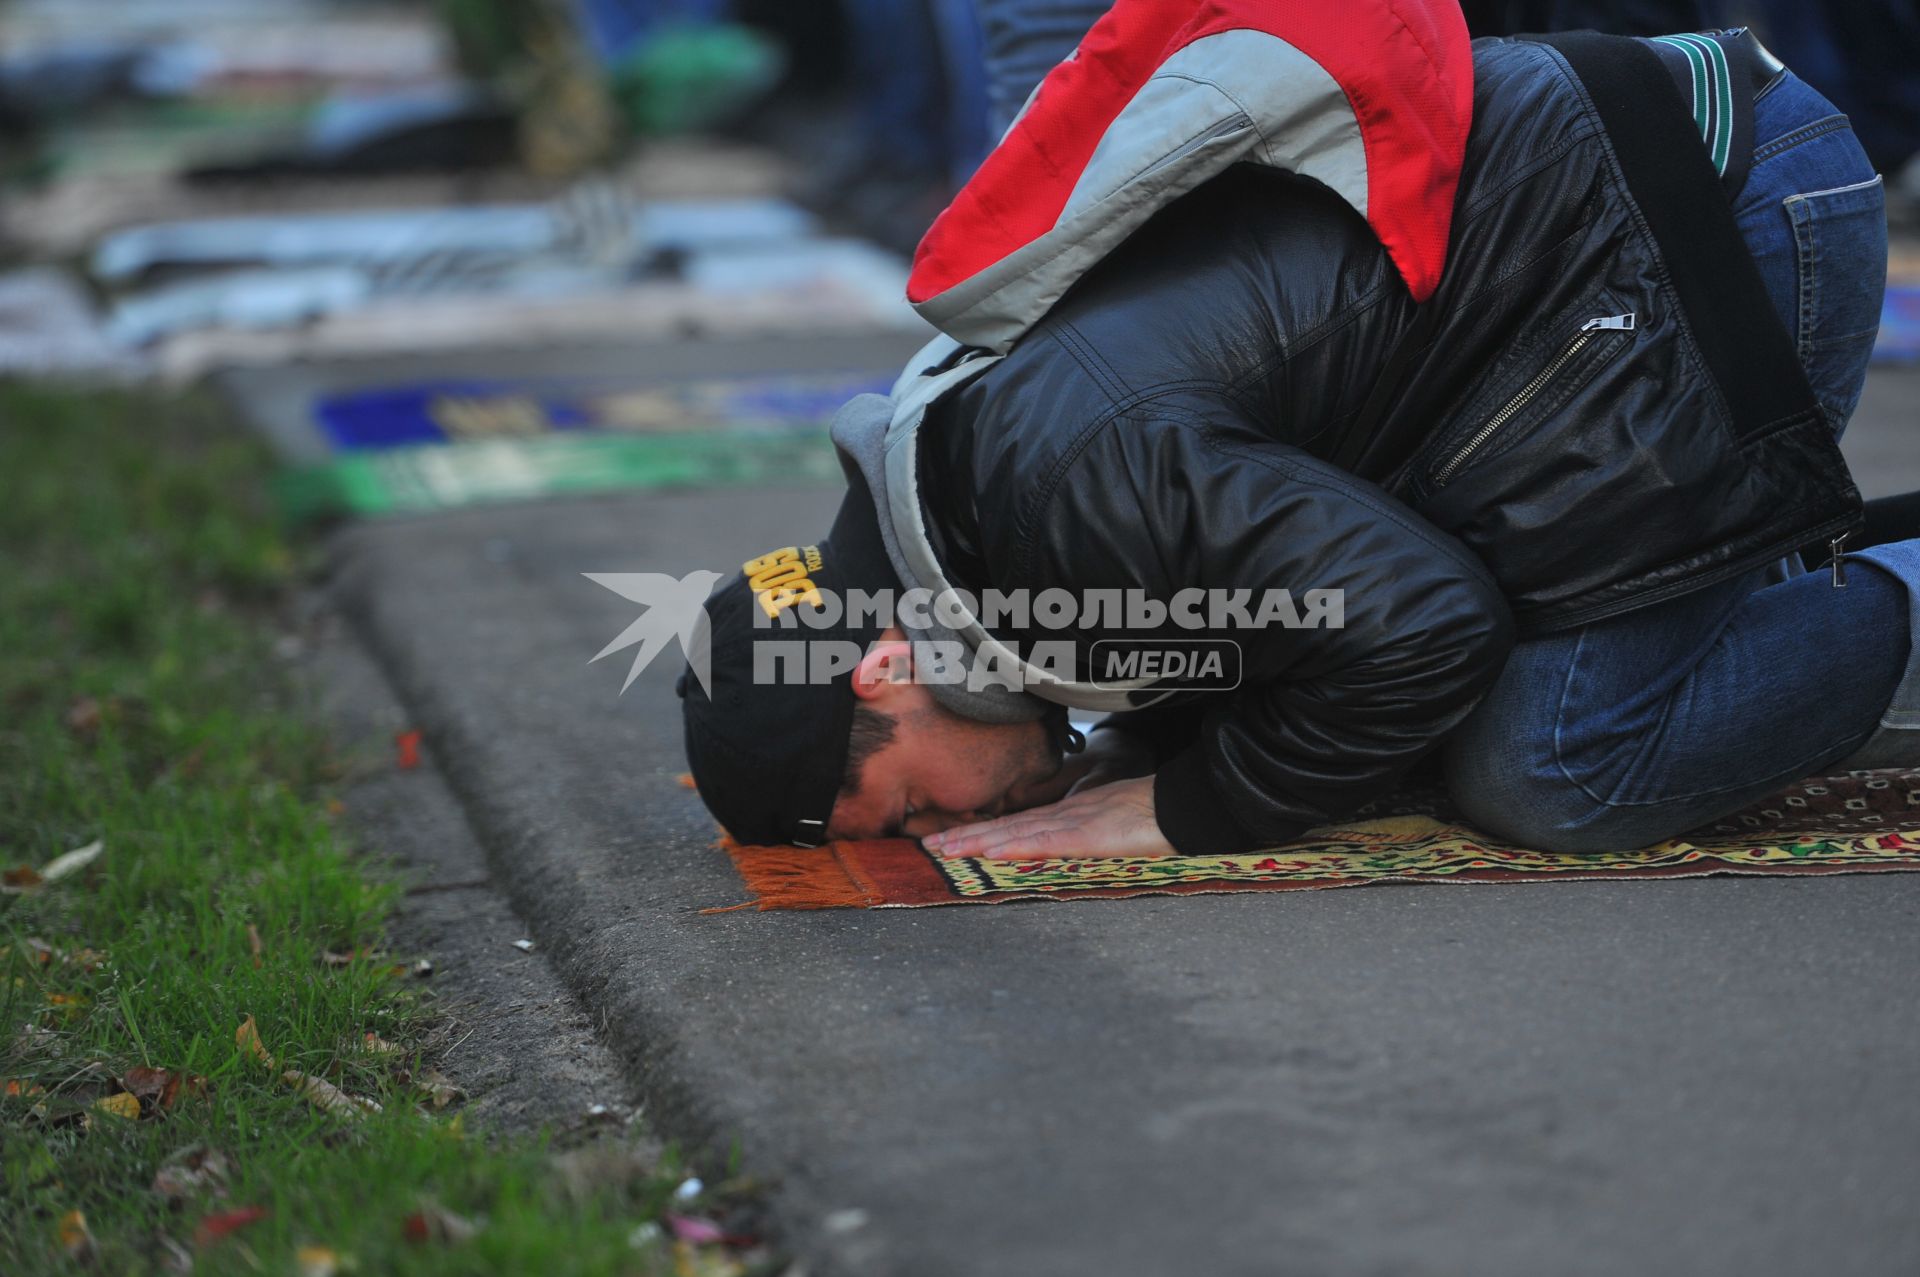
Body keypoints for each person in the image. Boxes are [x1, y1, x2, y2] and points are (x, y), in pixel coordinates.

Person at [680, 9, 1915, 862]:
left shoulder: (1054, 493)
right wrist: (1150, 735)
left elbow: (1429, 627)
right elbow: (1267, 593)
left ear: (885, 670)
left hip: (1715, 212)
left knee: (1557, 766)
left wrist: (1185, 804)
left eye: (906, 814)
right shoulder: (968, 504)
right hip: (1593, 268)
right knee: (1432, 736)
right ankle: (1776, 585)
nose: (947, 834)